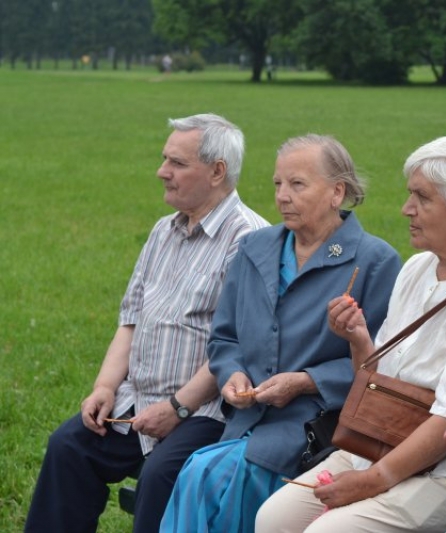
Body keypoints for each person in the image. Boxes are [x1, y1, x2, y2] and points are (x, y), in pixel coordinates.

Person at [255, 135, 446, 533]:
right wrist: (359, 339)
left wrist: (372, 482)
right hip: (380, 444)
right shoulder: (420, 266)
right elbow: (377, 382)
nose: (405, 209)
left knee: (329, 532)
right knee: (272, 520)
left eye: (422, 198)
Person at [24, 113, 269, 533]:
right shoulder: (163, 231)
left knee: (162, 477)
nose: (162, 172)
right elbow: (130, 320)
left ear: (216, 172)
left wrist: (177, 408)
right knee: (68, 447)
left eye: (176, 163)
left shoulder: (247, 239)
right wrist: (104, 387)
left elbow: (234, 345)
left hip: (204, 412)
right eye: (164, 159)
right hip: (135, 402)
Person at [159, 134, 402, 533]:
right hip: (244, 421)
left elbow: (383, 366)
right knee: (198, 473)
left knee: (210, 476)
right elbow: (224, 339)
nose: (282, 197)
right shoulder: (254, 248)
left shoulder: (376, 262)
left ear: (336, 192)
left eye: (297, 184)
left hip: (315, 429)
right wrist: (232, 373)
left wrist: (307, 382)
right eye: (277, 184)